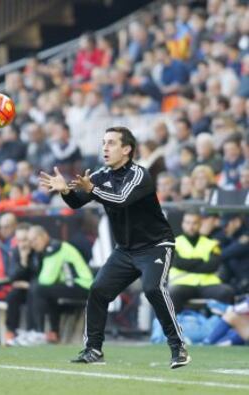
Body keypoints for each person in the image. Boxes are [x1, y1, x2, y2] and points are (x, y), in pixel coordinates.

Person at [39, 126, 190, 369]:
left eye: (111, 143)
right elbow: (77, 203)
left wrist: (93, 190)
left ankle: (178, 346)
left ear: (127, 149)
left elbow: (121, 199)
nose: (105, 148)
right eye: (103, 142)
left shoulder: (140, 174)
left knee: (152, 289)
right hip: (126, 250)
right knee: (98, 290)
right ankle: (93, 349)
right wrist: (66, 190)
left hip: (156, 246)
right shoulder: (101, 175)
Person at [27, 225, 93, 344]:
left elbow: (46, 280)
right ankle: (53, 333)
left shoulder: (55, 248)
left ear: (45, 236)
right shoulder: (47, 249)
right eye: (30, 241)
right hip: (74, 285)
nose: (33, 244)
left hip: (83, 285)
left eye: (35, 239)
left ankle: (39, 332)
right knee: (46, 292)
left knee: (39, 289)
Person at [169, 211, 234, 313]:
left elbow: (212, 266)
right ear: (182, 224)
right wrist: (201, 261)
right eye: (188, 222)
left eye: (195, 223)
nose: (191, 226)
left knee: (226, 291)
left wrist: (187, 263)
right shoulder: (173, 243)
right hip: (182, 284)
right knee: (172, 293)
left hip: (207, 284)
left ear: (200, 224)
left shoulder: (212, 244)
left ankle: (222, 325)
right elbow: (177, 263)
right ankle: (175, 326)